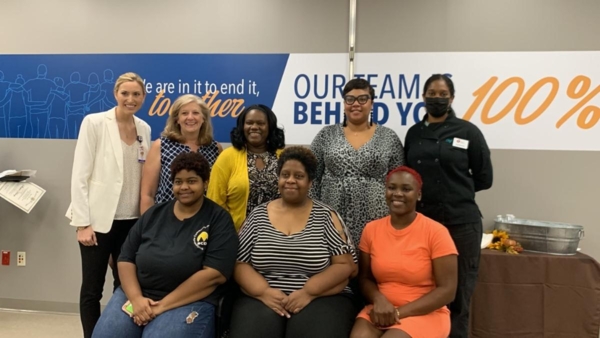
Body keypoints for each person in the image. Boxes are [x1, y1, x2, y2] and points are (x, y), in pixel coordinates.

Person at [92, 152, 239, 338]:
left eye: (192, 181)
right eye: (178, 182)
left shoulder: (218, 219)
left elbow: (214, 274)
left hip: (189, 300)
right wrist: (136, 299)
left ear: (205, 182)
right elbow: (125, 259)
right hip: (138, 293)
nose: (184, 187)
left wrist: (162, 306)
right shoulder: (154, 214)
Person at [229, 146, 358, 338]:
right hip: (261, 298)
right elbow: (240, 263)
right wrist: (264, 292)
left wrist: (309, 292)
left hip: (321, 297)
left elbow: (346, 266)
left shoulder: (326, 216)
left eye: (298, 176)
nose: (290, 180)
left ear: (310, 182)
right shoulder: (258, 215)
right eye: (285, 175)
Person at [403, 74, 493, 338]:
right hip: (424, 222)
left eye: (443, 94)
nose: (437, 98)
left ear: (452, 98)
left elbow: (485, 178)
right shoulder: (414, 133)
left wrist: (455, 191)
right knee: (422, 289)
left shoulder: (468, 131)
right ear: (423, 97)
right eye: (432, 93)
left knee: (460, 293)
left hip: (461, 223)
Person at [66, 72, 151, 338]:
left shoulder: (144, 129)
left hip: (132, 221)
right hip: (98, 221)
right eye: (125, 93)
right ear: (115, 94)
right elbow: (80, 174)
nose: (130, 99)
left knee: (124, 286)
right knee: (92, 288)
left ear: (143, 97)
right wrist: (83, 223)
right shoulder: (94, 123)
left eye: (136, 94)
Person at [350, 166, 458, 338]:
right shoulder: (371, 229)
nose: (397, 193)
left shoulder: (437, 232)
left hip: (424, 312)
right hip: (381, 308)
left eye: (406, 189)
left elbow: (447, 290)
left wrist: (398, 313)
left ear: (419, 195)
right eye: (392, 188)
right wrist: (379, 300)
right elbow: (364, 278)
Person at [310, 78, 405, 248]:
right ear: (344, 103)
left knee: (374, 269)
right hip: (333, 219)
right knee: (338, 268)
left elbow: (399, 181)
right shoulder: (326, 135)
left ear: (372, 103)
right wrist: (314, 215)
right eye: (350, 99)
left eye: (362, 99)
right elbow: (312, 178)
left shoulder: (388, 137)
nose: (356, 104)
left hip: (377, 218)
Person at [207, 104, 285, 231]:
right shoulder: (227, 157)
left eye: (261, 123)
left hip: (279, 237)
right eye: (249, 123)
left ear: (270, 127)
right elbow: (215, 202)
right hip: (237, 237)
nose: (254, 127)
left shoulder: (283, 157)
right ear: (242, 127)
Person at [140, 94, 222, 214]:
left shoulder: (215, 149)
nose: (190, 117)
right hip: (165, 221)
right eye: (184, 113)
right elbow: (148, 194)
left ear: (203, 118)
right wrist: (148, 227)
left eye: (195, 113)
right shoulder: (161, 146)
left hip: (204, 221)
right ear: (177, 119)